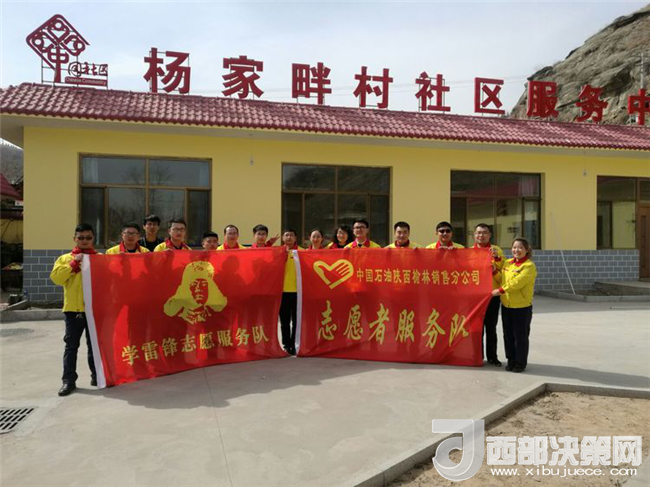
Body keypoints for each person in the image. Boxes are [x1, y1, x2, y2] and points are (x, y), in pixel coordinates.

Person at [49, 223, 98, 396]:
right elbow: (56, 279)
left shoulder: (99, 259)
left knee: (95, 347)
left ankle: (97, 376)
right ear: (75, 239)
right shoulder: (65, 259)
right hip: (73, 310)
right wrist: (73, 263)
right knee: (71, 347)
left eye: (88, 238)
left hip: (95, 310)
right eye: (81, 237)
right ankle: (68, 380)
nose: (85, 241)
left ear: (93, 239)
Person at [491, 237, 537, 373]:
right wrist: (494, 271)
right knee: (508, 335)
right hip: (507, 305)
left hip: (522, 307)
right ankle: (510, 360)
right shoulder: (508, 263)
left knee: (520, 337)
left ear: (527, 250)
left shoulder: (529, 266)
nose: (517, 250)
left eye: (520, 247)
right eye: (514, 247)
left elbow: (517, 283)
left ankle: (520, 363)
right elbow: (503, 280)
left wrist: (499, 291)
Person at [473, 223, 504, 366]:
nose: (481, 235)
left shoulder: (496, 251)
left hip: (492, 296)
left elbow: (503, 274)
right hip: (475, 297)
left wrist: (494, 267)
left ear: (489, 235)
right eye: (478, 233)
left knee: (491, 327)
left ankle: (492, 357)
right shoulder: (468, 252)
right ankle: (477, 356)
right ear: (474, 235)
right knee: (476, 329)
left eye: (484, 233)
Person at [163, 261, 227, 325]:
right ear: (186, 287)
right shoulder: (174, 321)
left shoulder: (216, 318)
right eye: (194, 284)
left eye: (204, 284)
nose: (199, 288)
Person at [279, 229, 304, 355]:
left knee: (296, 321)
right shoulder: (278, 252)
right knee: (284, 322)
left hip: (298, 292)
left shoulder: (302, 252)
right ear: (283, 238)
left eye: (291, 235)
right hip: (282, 292)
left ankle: (294, 344)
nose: (289, 237)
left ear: (295, 238)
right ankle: (286, 345)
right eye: (286, 235)